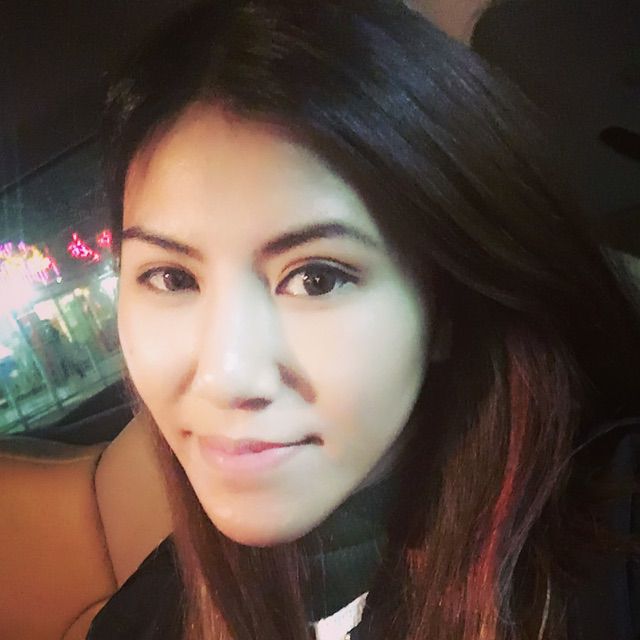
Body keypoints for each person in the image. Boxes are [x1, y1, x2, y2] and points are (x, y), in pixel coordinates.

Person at [89, 1, 640, 639]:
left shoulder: (612, 556)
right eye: (171, 278)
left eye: (316, 278)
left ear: (446, 303)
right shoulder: (136, 626)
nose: (226, 377)